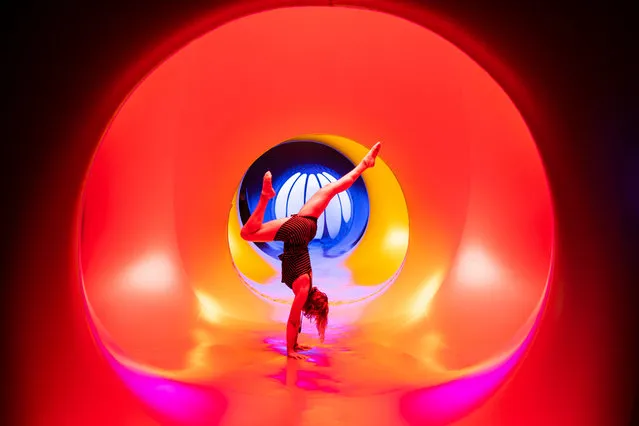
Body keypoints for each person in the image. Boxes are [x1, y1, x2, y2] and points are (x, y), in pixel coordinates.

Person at [240, 142, 382, 359]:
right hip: (297, 233)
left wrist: (295, 344)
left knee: (330, 189)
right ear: (309, 307)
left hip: (306, 229)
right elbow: (293, 321)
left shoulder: (307, 284)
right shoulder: (303, 288)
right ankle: (265, 196)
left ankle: (364, 164)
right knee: (247, 234)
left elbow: (296, 322)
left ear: (317, 295)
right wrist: (290, 350)